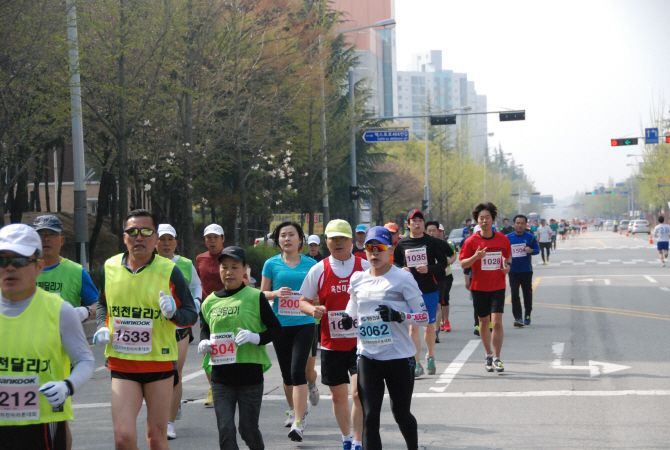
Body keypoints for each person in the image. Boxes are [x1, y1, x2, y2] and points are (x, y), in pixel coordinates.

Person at [92, 209, 198, 450]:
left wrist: (174, 314)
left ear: (156, 238)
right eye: (132, 231)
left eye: (146, 232)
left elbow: (191, 314)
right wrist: (101, 325)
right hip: (122, 363)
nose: (138, 237)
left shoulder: (170, 270)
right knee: (123, 438)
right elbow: (102, 302)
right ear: (124, 236)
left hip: (158, 364)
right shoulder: (109, 267)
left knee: (156, 437)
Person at [0, 224, 94, 450]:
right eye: (3, 260)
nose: (10, 267)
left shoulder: (60, 310)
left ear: (39, 266)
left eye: (20, 260)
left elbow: (85, 360)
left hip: (43, 422)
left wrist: (67, 385)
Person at [341, 226, 428, 450]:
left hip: (400, 357)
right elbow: (352, 307)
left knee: (401, 414)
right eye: (370, 248)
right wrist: (347, 318)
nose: (374, 253)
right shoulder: (358, 279)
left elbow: (423, 316)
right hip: (368, 357)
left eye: (379, 248)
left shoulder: (402, 278)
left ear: (390, 249)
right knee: (370, 417)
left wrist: (399, 316)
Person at [198, 246, 282, 450]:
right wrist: (204, 342)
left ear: (244, 268)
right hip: (221, 378)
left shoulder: (255, 297)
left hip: (249, 377)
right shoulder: (209, 301)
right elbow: (205, 329)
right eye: (224, 267)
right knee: (225, 430)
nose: (228, 272)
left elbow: (276, 330)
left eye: (234, 267)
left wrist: (256, 338)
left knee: (247, 429)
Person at [299, 220, 370, 450]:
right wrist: (313, 310)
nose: (338, 243)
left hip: (362, 343)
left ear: (352, 241)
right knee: (339, 397)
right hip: (332, 343)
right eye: (333, 239)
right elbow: (302, 301)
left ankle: (359, 441)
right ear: (326, 242)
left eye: (342, 238)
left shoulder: (365, 266)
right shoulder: (319, 269)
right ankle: (347, 438)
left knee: (358, 394)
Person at [32, 215, 98, 450]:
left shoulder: (75, 271)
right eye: (40, 234)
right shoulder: (21, 269)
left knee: (56, 418)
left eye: (51, 234)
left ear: (62, 239)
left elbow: (97, 306)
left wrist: (81, 311)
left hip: (58, 356)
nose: (46, 239)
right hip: (21, 351)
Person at [261, 221, 318, 441]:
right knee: (286, 375)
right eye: (283, 235)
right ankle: (294, 409)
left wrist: (314, 305)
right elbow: (262, 293)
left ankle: (298, 422)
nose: (287, 239)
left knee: (297, 372)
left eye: (291, 235)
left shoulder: (311, 264)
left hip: (304, 324)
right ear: (278, 240)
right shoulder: (271, 264)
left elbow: (317, 293)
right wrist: (275, 294)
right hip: (280, 325)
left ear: (300, 239)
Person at [155, 224, 203, 439]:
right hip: (155, 328)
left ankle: (169, 422)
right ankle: (167, 410)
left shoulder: (184, 263)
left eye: (169, 240)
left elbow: (196, 285)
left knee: (175, 372)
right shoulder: (149, 265)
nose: (166, 244)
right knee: (158, 375)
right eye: (162, 239)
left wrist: (195, 302)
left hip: (179, 326)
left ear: (175, 242)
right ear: (155, 242)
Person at [393, 210, 447, 377]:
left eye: (420, 220)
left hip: (429, 289)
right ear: (407, 224)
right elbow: (395, 263)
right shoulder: (402, 244)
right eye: (413, 220)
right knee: (413, 328)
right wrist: (401, 268)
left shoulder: (432, 242)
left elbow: (443, 264)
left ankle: (430, 355)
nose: (417, 223)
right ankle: (417, 363)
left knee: (428, 326)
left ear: (424, 224)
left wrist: (428, 269)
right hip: (409, 292)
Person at [459, 202, 512, 373]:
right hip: (479, 287)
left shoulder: (502, 239)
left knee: (497, 323)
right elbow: (463, 263)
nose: (484, 221)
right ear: (477, 221)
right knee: (484, 322)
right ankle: (488, 354)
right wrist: (476, 256)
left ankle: (497, 357)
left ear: (493, 219)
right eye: (481, 218)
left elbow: (508, 257)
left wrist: (507, 267)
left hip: (498, 286)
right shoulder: (471, 241)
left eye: (487, 217)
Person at [196, 224, 226, 407]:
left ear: (223, 238)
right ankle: (213, 388)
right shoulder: (200, 259)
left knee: (229, 347)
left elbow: (244, 278)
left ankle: (230, 385)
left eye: (216, 237)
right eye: (209, 238)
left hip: (230, 306)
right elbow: (197, 284)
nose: (212, 241)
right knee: (208, 347)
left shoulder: (230, 255)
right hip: (207, 309)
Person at [506, 215, 539, 327]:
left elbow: (537, 250)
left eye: (522, 223)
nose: (520, 225)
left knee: (527, 294)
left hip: (526, 270)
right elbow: (502, 251)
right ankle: (518, 317)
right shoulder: (508, 238)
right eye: (517, 223)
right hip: (513, 271)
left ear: (526, 224)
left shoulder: (530, 237)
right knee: (514, 294)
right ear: (514, 224)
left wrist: (531, 250)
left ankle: (527, 315)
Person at [424, 221, 456, 337]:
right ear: (426, 231)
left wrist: (448, 262)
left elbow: (453, 255)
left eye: (434, 231)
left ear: (438, 231)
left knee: (438, 304)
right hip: (425, 278)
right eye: (429, 231)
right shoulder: (422, 244)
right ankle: (429, 328)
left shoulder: (442, 244)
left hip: (441, 277)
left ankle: (436, 331)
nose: (431, 233)